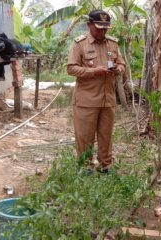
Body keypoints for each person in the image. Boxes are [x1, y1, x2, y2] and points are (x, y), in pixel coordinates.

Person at [67, 9, 125, 173]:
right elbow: (71, 69)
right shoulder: (80, 44)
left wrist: (118, 70)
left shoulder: (112, 43)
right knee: (85, 137)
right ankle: (85, 167)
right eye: (99, 28)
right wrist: (94, 72)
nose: (102, 32)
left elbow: (122, 64)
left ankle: (106, 165)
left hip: (108, 99)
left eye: (105, 28)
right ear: (89, 25)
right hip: (87, 100)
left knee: (106, 135)